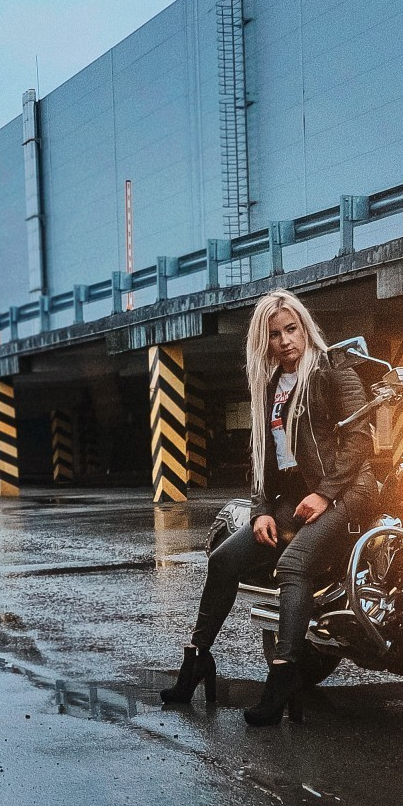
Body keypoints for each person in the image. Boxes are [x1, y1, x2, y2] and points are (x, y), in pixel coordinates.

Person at [160, 291, 377, 725]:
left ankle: (282, 677)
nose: (285, 340)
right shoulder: (269, 385)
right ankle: (197, 660)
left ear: (305, 327)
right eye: (274, 334)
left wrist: (326, 493)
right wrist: (260, 509)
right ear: (265, 341)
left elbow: (360, 442)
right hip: (290, 499)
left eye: (291, 329)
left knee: (293, 566)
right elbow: (262, 457)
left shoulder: (334, 372)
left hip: (349, 491)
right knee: (223, 561)